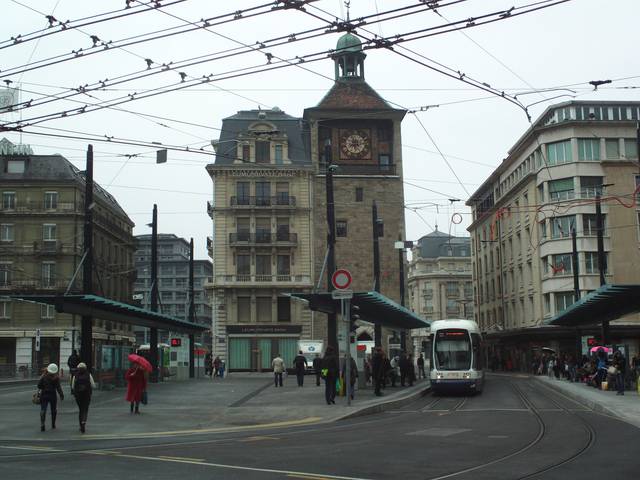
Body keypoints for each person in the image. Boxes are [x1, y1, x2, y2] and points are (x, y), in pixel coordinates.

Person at [37, 363, 64, 432]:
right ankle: (53, 424)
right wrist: (61, 395)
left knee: (43, 409)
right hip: (52, 395)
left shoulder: (44, 376)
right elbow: (58, 387)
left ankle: (42, 424)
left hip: (44, 394)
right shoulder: (56, 378)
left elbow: (39, 385)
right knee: (53, 410)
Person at [71, 362, 95, 433]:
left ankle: (80, 425)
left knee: (81, 409)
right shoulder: (88, 375)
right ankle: (83, 422)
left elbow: (72, 386)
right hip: (86, 395)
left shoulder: (75, 375)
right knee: (85, 409)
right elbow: (93, 385)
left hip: (78, 395)